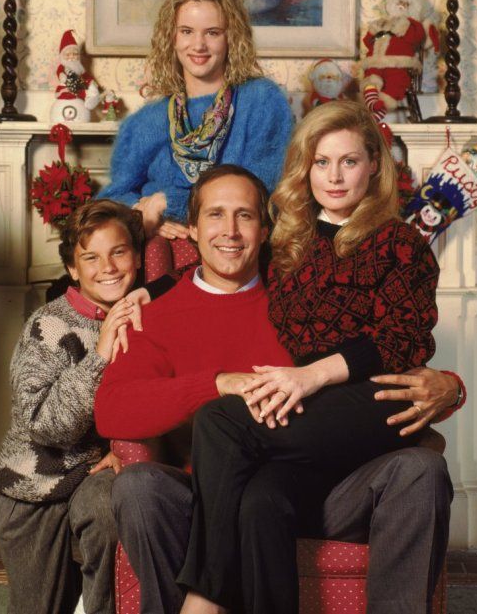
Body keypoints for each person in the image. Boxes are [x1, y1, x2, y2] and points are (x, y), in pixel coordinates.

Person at [94, 165, 463, 614]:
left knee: (420, 469)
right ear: (191, 229)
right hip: (206, 499)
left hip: (323, 488)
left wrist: (451, 388)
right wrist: (213, 385)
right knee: (138, 487)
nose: (229, 231)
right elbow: (112, 409)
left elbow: (384, 352)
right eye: (215, 215)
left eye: (245, 216)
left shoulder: (302, 293)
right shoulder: (154, 315)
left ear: (265, 230)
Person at [176, 102, 445, 613]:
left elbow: (402, 338)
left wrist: (310, 376)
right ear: (305, 168)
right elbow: (223, 261)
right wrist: (148, 289)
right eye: (322, 162)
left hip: (375, 402)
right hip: (313, 418)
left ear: (373, 166)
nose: (335, 176)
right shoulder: (289, 242)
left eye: (349, 161)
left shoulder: (400, 242)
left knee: (218, 419)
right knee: (260, 501)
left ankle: (203, 597)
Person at [0, 199, 149, 614]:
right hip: (33, 493)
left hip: (89, 479)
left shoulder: (144, 315)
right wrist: (98, 356)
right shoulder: (50, 326)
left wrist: (123, 447)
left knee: (106, 510)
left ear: (136, 256)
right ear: (73, 270)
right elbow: (44, 427)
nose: (109, 267)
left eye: (118, 252)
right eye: (91, 258)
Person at [97, 0, 293, 242]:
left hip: (239, 246)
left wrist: (167, 203)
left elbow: (261, 191)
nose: (198, 45)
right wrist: (143, 212)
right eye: (186, 31)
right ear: (171, 38)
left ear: (231, 38)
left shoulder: (262, 101)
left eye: (212, 33)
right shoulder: (145, 121)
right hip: (160, 247)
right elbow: (113, 196)